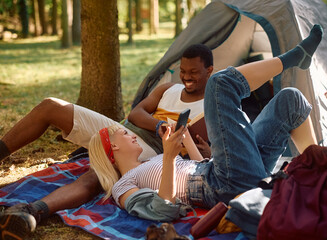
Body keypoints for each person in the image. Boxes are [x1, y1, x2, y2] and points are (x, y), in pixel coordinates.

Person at [82, 25, 322, 221]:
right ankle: (294, 58)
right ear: (112, 147)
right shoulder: (123, 186)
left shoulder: (148, 161)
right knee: (219, 84)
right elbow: (161, 210)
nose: (130, 134)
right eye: (123, 134)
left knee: (290, 100)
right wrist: (168, 157)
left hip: (226, 171)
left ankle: (323, 172)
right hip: (226, 184)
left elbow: (198, 166)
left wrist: (183, 138)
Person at [0, 44, 214, 238]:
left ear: (210, 71)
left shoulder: (211, 107)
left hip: (150, 152)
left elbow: (199, 153)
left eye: (194, 72)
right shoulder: (168, 89)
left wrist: (207, 152)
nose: (186, 77)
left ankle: (32, 212)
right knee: (51, 107)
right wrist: (158, 126)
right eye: (183, 71)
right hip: (122, 132)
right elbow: (135, 114)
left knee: (99, 176)